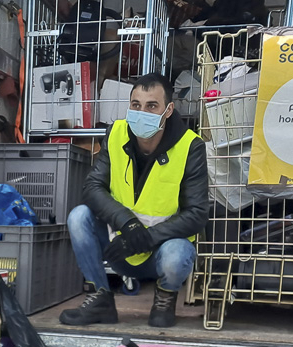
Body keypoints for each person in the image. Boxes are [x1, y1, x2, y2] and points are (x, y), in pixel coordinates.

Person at [59, 72, 209, 328]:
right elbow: (93, 187)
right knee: (79, 217)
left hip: (160, 251)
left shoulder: (190, 146)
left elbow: (196, 213)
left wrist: (144, 238)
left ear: (168, 110)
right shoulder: (116, 133)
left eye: (152, 106)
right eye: (136, 105)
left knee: (179, 253)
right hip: (119, 245)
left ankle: (165, 298)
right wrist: (127, 224)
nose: (142, 113)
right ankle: (100, 298)